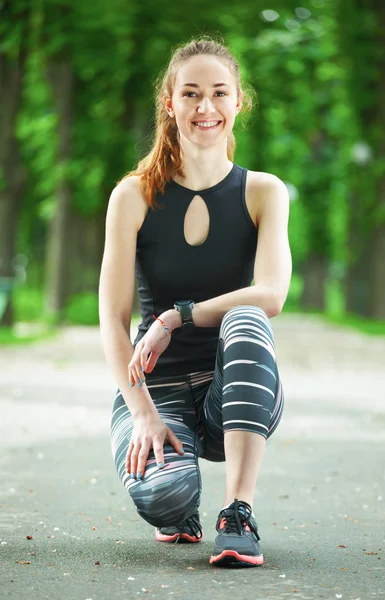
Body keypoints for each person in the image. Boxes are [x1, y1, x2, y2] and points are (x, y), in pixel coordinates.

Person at [99, 36, 292, 568]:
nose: (205, 107)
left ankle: (238, 511)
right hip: (155, 388)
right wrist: (141, 414)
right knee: (165, 496)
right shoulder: (133, 195)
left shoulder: (264, 192)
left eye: (218, 93)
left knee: (249, 317)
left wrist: (176, 316)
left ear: (237, 103)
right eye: (190, 93)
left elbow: (272, 293)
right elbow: (112, 321)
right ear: (170, 103)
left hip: (232, 388)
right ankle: (180, 507)